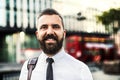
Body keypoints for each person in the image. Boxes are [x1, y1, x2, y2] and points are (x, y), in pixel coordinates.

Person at [19, 8, 93, 80]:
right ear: (37, 35)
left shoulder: (81, 70)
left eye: (55, 27)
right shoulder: (28, 68)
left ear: (64, 34)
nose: (50, 32)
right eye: (44, 27)